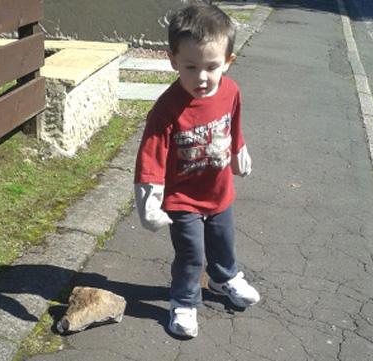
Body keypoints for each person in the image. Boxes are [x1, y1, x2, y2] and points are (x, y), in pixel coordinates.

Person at [134, 2, 260, 338]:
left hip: (218, 191)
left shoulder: (231, 90)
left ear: (228, 62)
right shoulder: (167, 108)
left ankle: (223, 277)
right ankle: (184, 301)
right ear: (172, 60)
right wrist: (149, 194)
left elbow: (233, 122)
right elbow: (152, 153)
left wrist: (238, 149)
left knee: (223, 241)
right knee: (191, 252)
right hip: (182, 197)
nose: (201, 77)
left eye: (211, 66)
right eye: (190, 67)